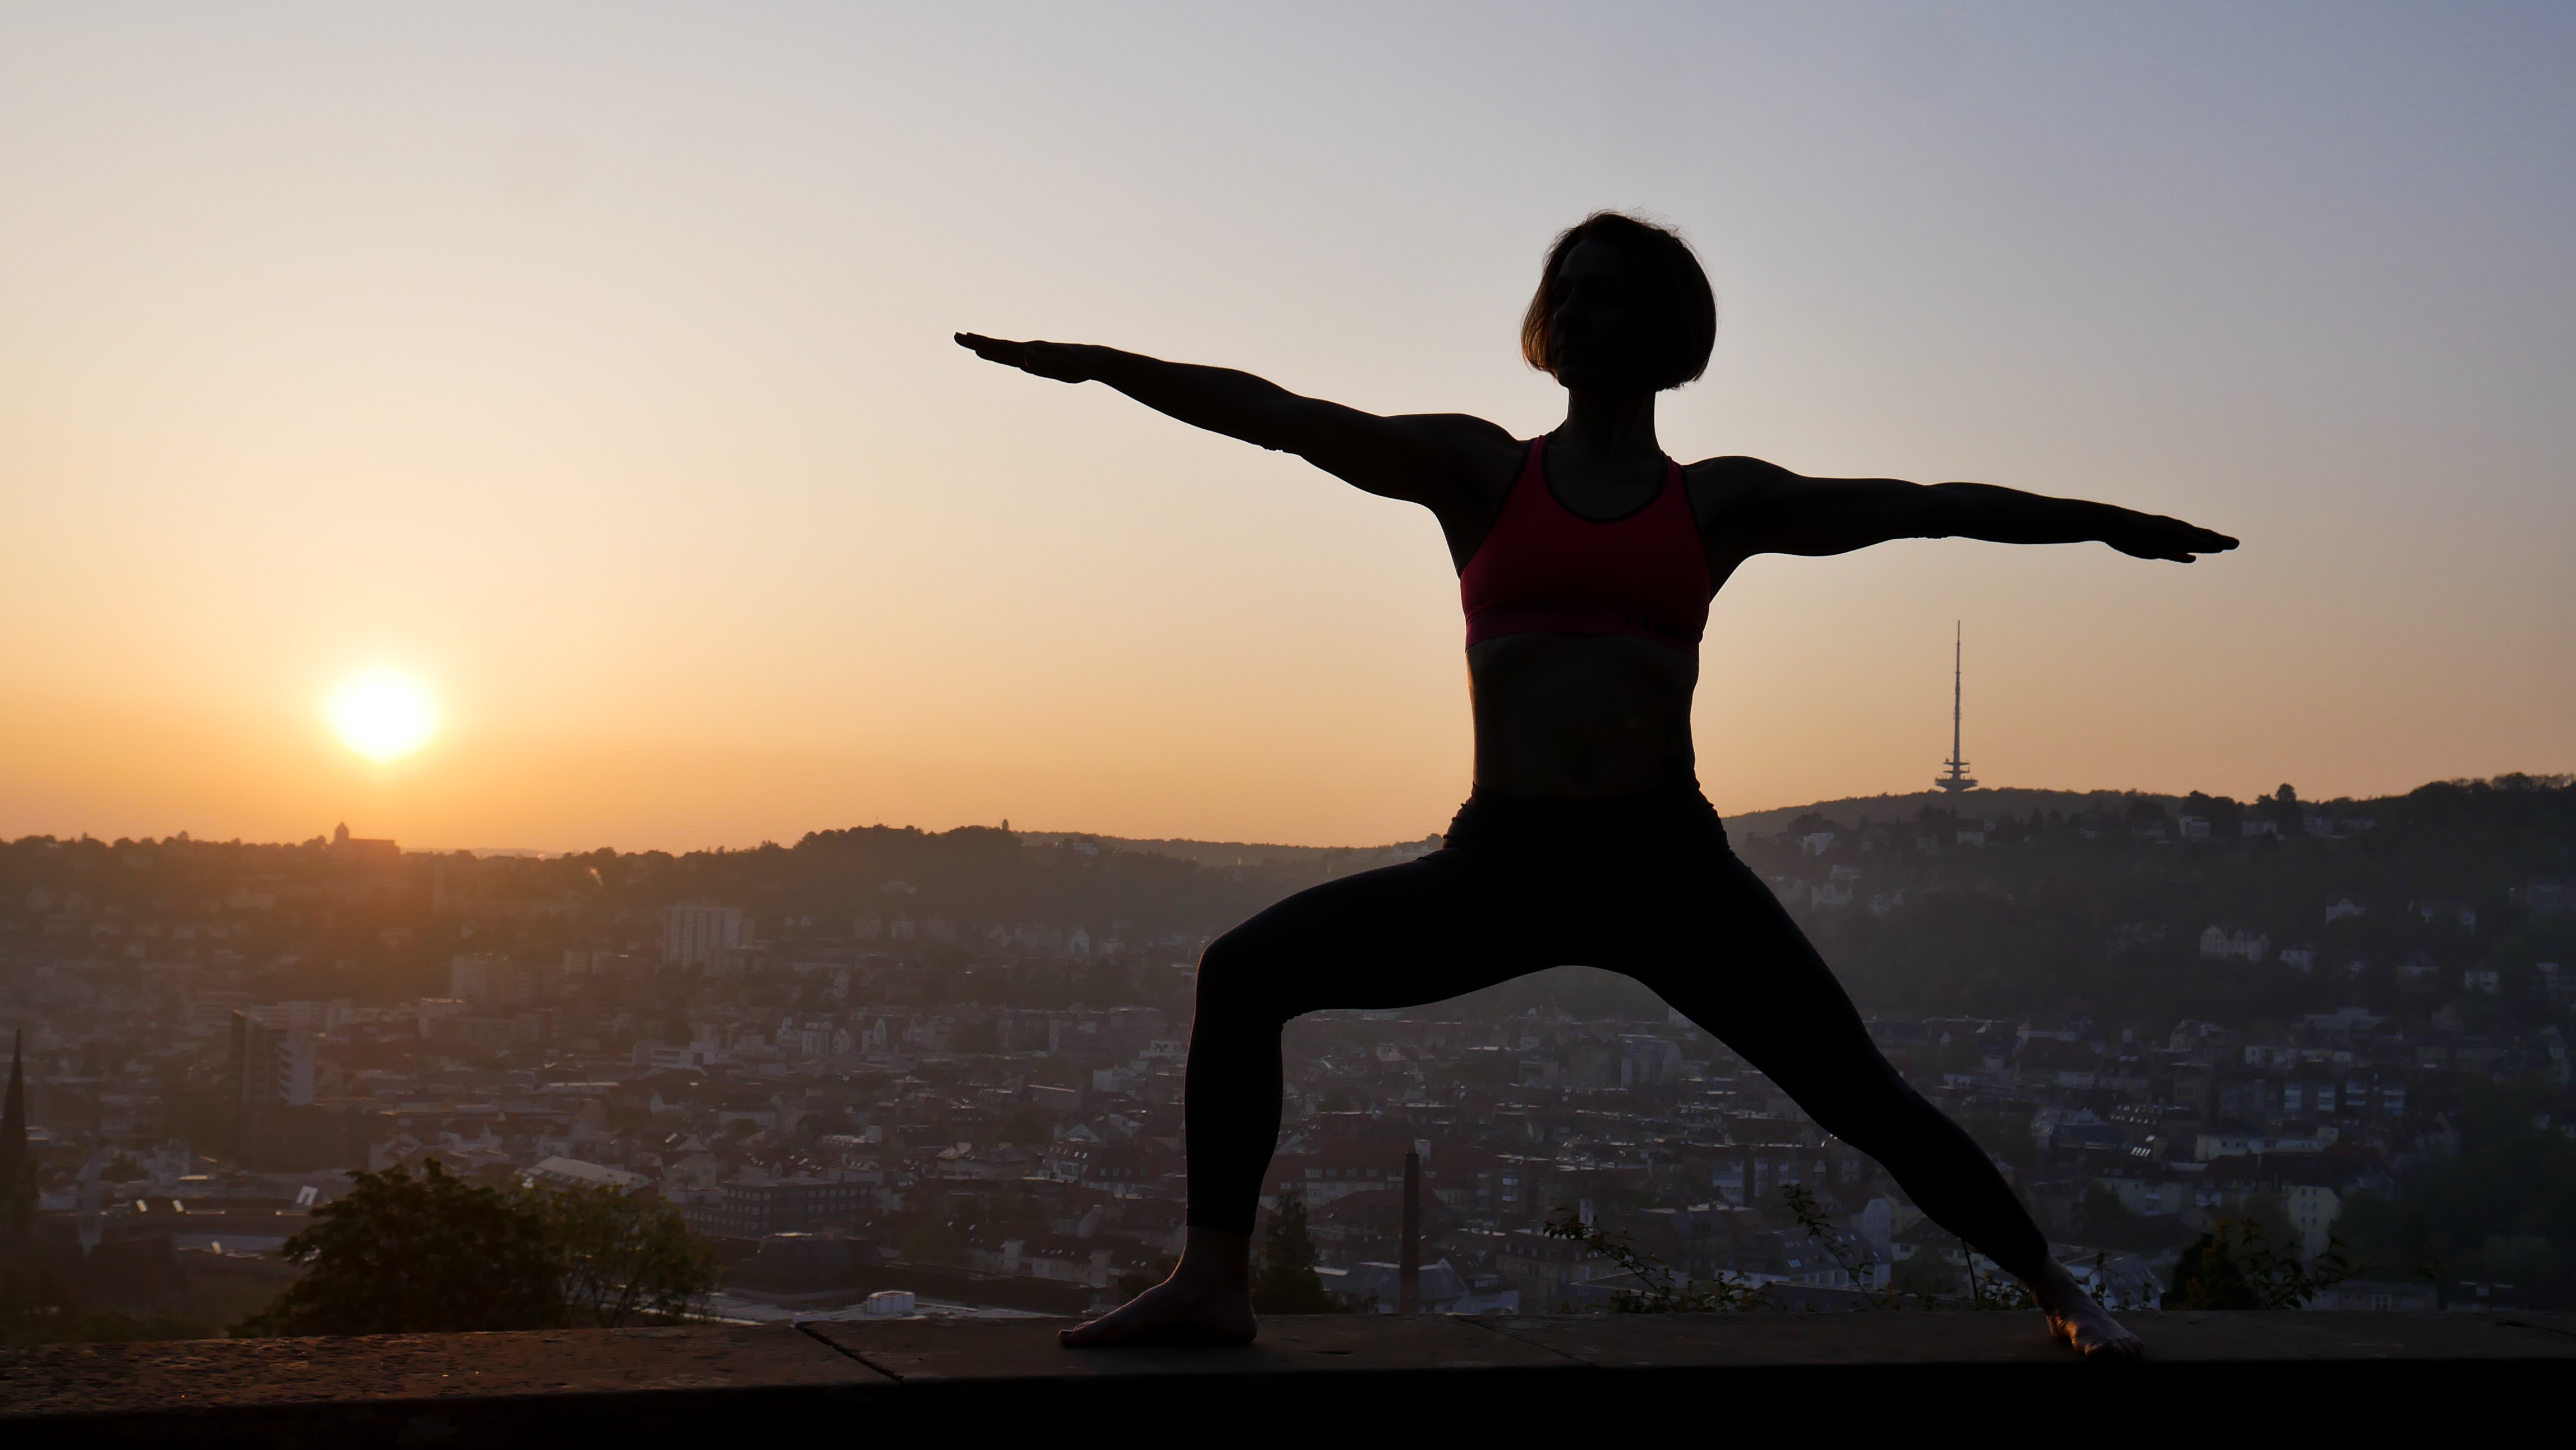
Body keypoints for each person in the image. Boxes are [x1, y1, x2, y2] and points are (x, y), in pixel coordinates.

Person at [956, 212, 2234, 1357]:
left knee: (1862, 1095)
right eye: (1560, 292)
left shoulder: (1713, 504)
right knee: (1243, 972)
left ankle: (2056, 1287)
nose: (1571, 313)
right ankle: (1212, 1282)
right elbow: (1287, 417)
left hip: (1666, 869)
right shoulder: (1481, 472)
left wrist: (2098, 521)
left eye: (1602, 294)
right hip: (1504, 863)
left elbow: (1919, 506)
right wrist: (1098, 365)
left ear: (1662, 328)